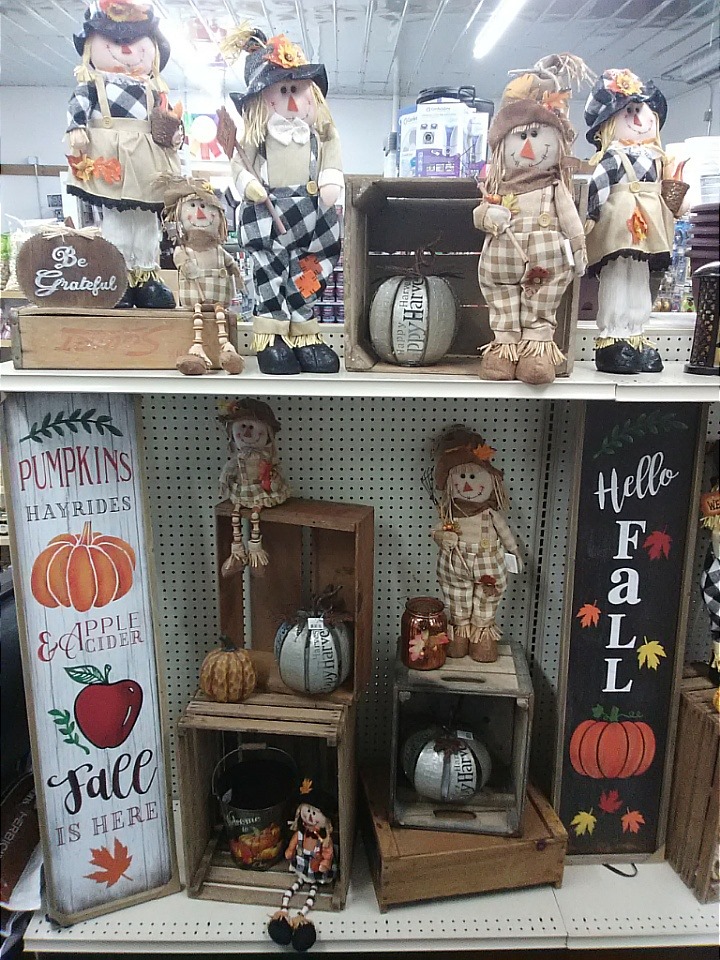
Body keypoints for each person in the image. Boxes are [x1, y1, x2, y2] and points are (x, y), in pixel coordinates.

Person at [223, 24, 343, 374]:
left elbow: (332, 161)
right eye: (282, 90)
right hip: (267, 217)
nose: (292, 99)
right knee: (269, 273)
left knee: (310, 273)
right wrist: (249, 184)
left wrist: (330, 179)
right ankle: (272, 338)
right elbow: (238, 165)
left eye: (297, 89)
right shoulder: (256, 137)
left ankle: (305, 334)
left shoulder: (322, 136)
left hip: (314, 220)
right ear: (262, 99)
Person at [66, 0, 182, 309]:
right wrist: (76, 128)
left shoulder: (154, 90)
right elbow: (77, 107)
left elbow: (167, 120)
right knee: (116, 221)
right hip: (111, 157)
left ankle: (146, 277)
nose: (127, 48)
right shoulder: (93, 86)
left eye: (135, 40)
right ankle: (117, 277)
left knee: (146, 222)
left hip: (148, 159)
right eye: (116, 41)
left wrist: (175, 134)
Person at [584, 69, 674, 374]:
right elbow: (596, 186)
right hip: (618, 226)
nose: (637, 117)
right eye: (629, 111)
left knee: (640, 277)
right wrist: (590, 215)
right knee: (616, 275)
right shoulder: (613, 158)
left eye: (641, 109)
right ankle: (612, 336)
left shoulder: (656, 159)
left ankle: (636, 333)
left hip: (647, 228)